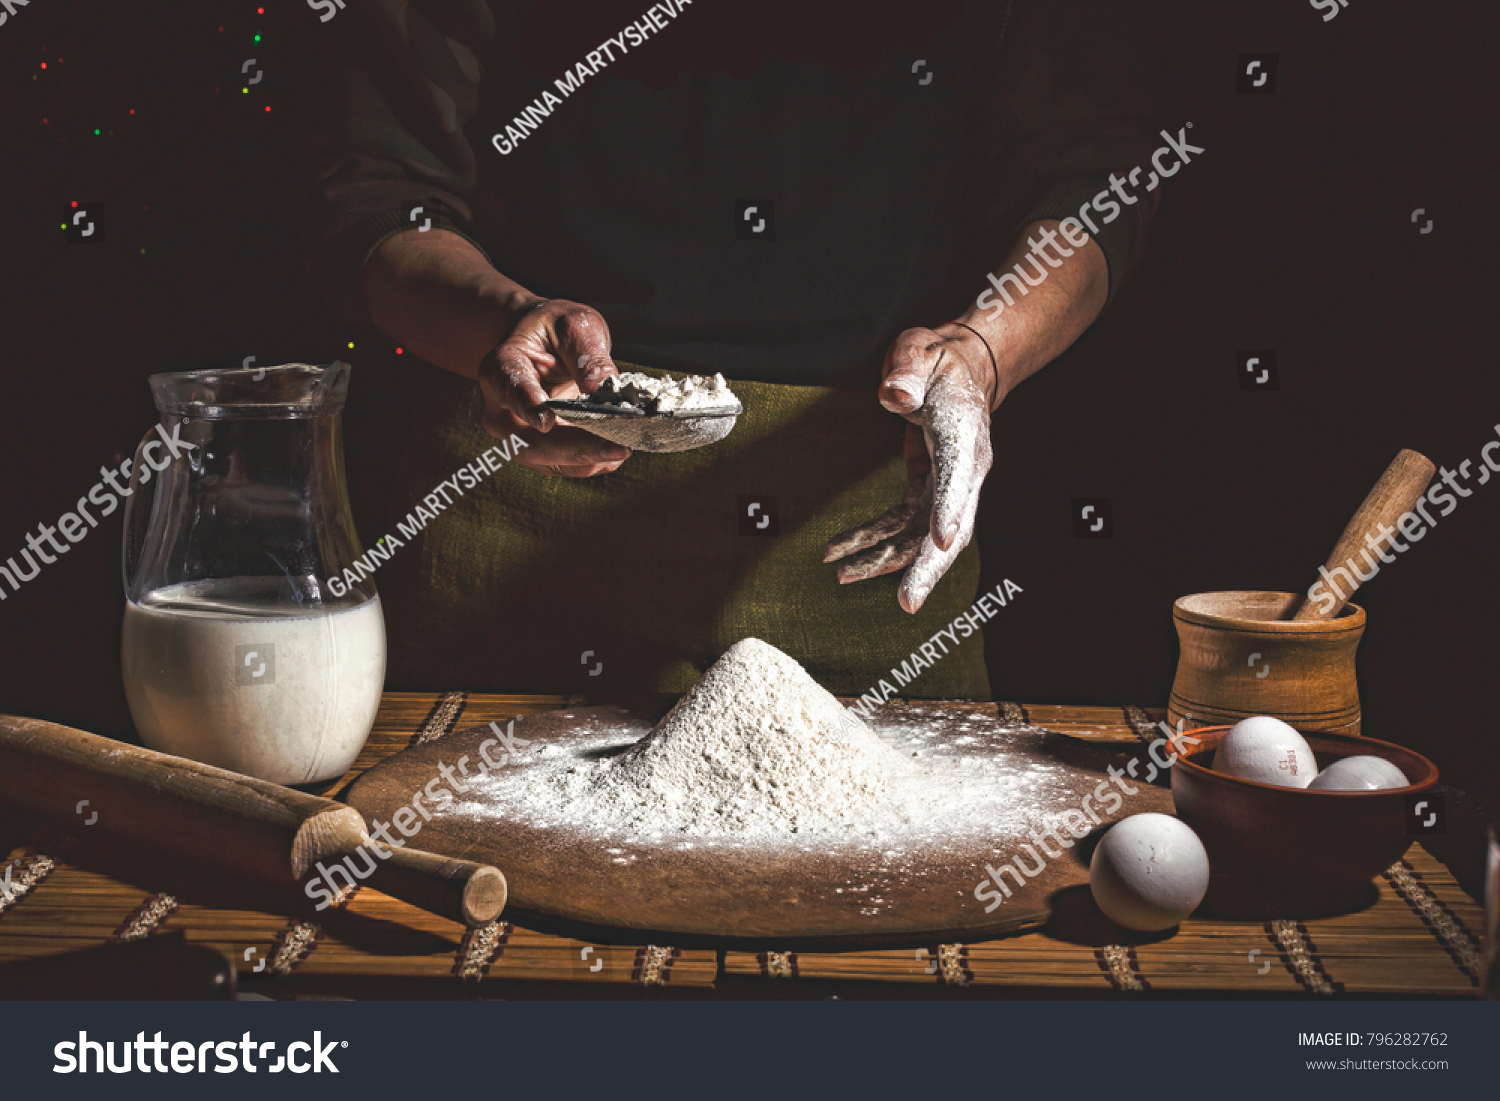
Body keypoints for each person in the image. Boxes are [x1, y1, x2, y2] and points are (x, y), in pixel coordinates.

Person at [298, 0, 1158, 698]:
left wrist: (979, 354)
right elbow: (378, 190)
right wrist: (503, 325)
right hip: (514, 526)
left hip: (865, 547)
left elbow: (1094, 174)